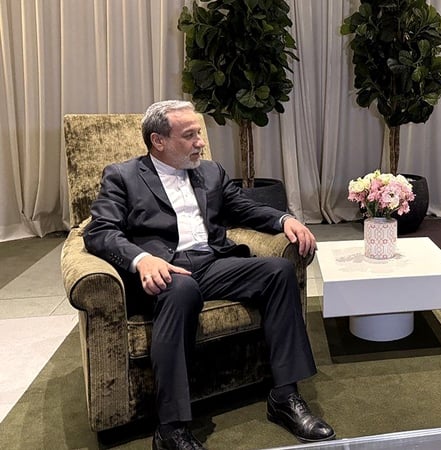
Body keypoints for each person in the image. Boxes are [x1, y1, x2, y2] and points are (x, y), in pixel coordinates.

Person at [83, 100, 335, 449]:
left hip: (212, 262)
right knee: (182, 289)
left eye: (198, 132)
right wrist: (141, 259)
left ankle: (284, 396)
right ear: (158, 141)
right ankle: (170, 429)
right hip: (165, 271)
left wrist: (284, 219)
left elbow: (242, 207)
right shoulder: (122, 176)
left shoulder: (210, 171)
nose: (200, 141)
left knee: (278, 271)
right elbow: (100, 232)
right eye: (189, 135)